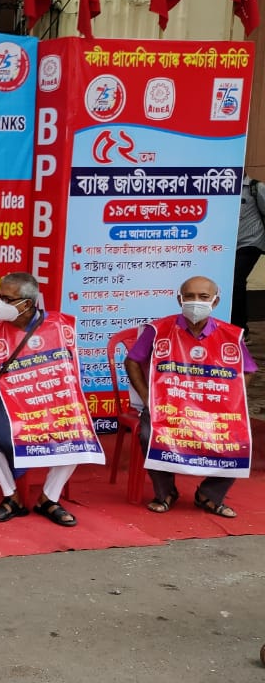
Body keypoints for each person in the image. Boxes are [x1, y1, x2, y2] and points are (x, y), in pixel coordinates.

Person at [0, 272, 104, 527]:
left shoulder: (60, 327)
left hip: (48, 403)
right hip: (3, 403)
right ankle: (11, 496)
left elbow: (73, 370)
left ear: (27, 304)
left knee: (79, 427)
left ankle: (49, 498)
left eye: (7, 299)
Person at [124, 276, 255, 517]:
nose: (196, 302)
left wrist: (232, 403)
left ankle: (209, 494)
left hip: (212, 410)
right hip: (168, 407)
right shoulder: (158, 329)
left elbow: (248, 371)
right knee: (147, 433)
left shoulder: (231, 335)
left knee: (240, 438)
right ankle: (166, 493)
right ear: (179, 299)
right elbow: (132, 361)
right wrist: (147, 397)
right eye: (190, 296)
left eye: (203, 297)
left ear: (215, 302)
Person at [234, 176, 265, 333]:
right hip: (228, 244)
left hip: (251, 241)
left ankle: (240, 329)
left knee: (236, 280)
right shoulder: (220, 187)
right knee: (232, 282)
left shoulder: (256, 188)